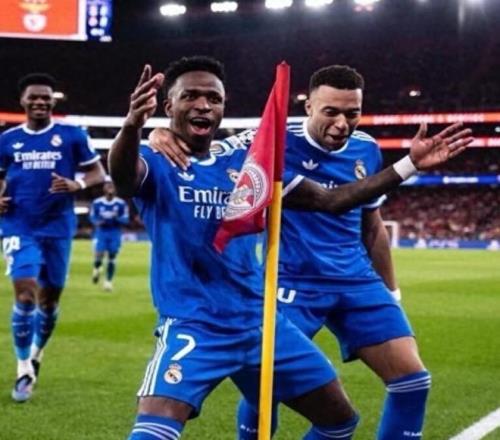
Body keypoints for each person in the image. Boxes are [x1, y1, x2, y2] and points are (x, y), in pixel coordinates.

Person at [110, 57, 470, 440]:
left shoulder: (249, 163)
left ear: (224, 106)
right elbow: (123, 178)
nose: (203, 105)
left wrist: (409, 165)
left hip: (261, 324)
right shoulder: (158, 162)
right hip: (196, 325)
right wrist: (134, 126)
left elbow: (331, 201)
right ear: (169, 105)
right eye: (191, 97)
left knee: (340, 421)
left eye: (213, 99)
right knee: (157, 427)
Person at [0, 73, 105, 402]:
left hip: (59, 226)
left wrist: (78, 185)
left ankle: (36, 354)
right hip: (18, 224)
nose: (40, 102)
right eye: (34, 97)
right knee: (25, 294)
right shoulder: (7, 139)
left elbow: (98, 172)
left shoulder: (71, 135)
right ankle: (23, 369)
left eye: (46, 97)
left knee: (49, 301)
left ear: (52, 101)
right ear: (23, 100)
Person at [89, 180, 129, 291]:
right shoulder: (97, 202)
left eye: (112, 186)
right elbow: (92, 217)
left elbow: (125, 219)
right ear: (104, 188)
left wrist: (116, 218)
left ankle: (108, 282)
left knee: (112, 256)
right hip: (101, 232)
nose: (110, 188)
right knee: (99, 255)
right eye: (108, 185)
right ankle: (97, 268)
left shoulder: (121, 203)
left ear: (116, 189)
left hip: (115, 232)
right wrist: (98, 222)